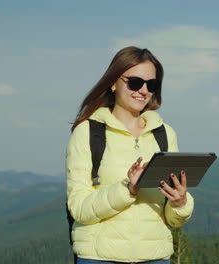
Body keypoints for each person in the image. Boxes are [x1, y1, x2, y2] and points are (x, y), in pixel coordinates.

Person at [66, 46, 194, 264]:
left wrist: (180, 202)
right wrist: (127, 189)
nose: (143, 90)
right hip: (98, 259)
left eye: (151, 85)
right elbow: (79, 208)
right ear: (113, 82)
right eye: (135, 82)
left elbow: (173, 220)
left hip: (155, 259)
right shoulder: (88, 133)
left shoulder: (164, 135)